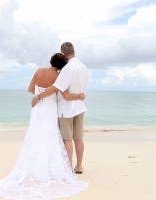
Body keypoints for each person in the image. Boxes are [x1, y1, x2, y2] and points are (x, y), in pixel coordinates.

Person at [0, 53, 88, 199]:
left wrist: (39, 95)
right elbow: (64, 94)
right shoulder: (58, 76)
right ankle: (50, 167)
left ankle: (36, 165)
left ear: (51, 61)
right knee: (49, 136)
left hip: (38, 108)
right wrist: (76, 96)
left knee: (36, 135)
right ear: (62, 65)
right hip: (50, 109)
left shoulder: (38, 71)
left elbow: (30, 88)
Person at [32, 42, 88, 174]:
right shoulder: (83, 67)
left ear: (63, 53)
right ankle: (79, 166)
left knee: (67, 139)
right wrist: (80, 97)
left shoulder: (67, 69)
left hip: (66, 109)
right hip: (79, 107)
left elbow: (57, 88)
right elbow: (82, 90)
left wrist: (38, 97)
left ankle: (68, 169)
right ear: (73, 51)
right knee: (78, 138)